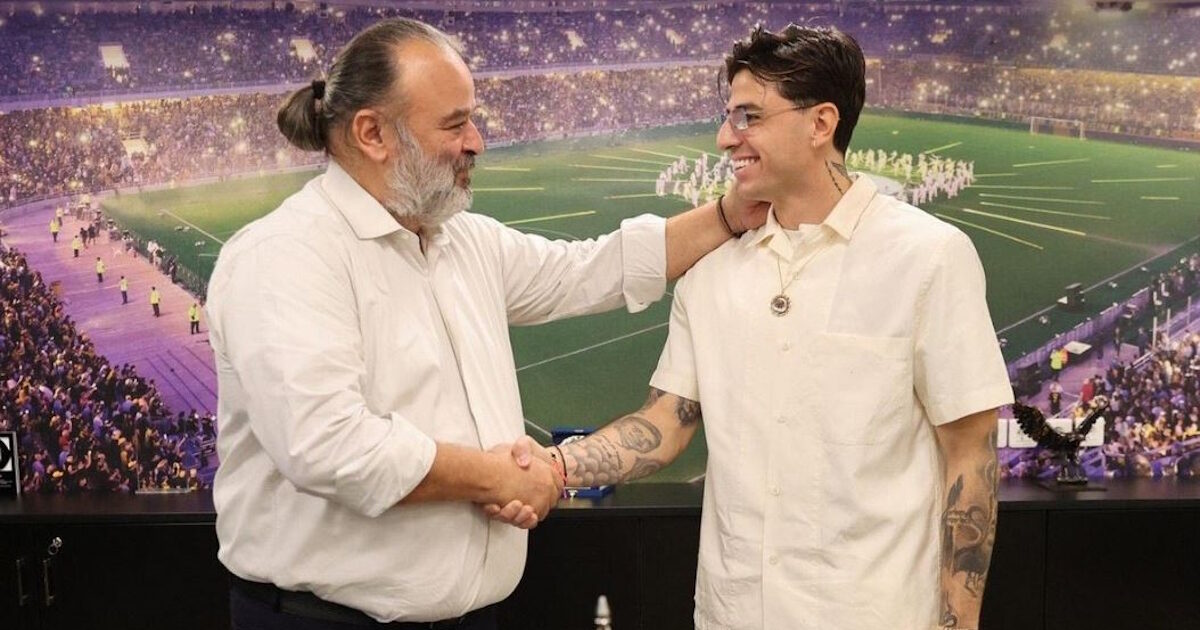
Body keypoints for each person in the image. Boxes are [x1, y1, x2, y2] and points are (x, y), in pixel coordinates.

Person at [205, 17, 765, 630]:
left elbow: (586, 270)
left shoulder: (460, 239)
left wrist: (729, 215)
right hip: (322, 621)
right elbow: (328, 446)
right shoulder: (287, 255)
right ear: (372, 133)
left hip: (473, 615)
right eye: (454, 124)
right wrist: (498, 478)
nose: (476, 141)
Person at [511, 25, 1013, 630]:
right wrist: (558, 466)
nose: (726, 138)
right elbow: (666, 423)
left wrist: (960, 623)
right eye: (728, 117)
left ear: (821, 123)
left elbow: (969, 454)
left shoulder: (929, 256)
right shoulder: (711, 271)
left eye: (748, 117)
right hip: (733, 613)